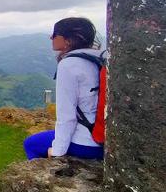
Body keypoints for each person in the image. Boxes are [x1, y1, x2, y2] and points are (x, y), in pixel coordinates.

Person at [23, 17, 105, 160]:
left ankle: (46, 179)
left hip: (85, 142)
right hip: (103, 139)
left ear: (67, 40)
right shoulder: (100, 57)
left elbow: (66, 116)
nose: (51, 37)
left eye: (55, 34)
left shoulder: (68, 65)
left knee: (31, 144)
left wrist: (57, 151)